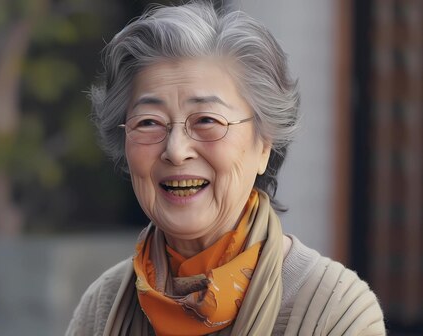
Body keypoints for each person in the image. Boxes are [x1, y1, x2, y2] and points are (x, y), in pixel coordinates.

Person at [66, 2, 385, 335]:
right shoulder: (104, 307)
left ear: (264, 144)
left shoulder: (333, 311)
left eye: (206, 120)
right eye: (149, 122)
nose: (176, 150)